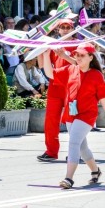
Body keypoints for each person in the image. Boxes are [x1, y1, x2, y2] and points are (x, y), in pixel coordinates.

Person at [41, 43, 105, 189]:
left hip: (87, 115)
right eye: (76, 54)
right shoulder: (70, 69)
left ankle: (68, 178)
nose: (78, 57)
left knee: (73, 143)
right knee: (82, 147)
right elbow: (51, 74)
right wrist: (44, 54)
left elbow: (104, 98)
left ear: (90, 57)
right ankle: (95, 171)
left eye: (82, 55)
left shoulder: (96, 75)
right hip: (71, 114)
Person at [36, 19, 77, 162]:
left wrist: (65, 56)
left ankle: (75, 152)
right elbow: (42, 65)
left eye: (68, 27)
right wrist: (42, 51)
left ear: (72, 29)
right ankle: (51, 151)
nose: (65, 29)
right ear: (58, 30)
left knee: (73, 121)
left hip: (72, 87)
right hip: (55, 86)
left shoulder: (77, 45)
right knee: (51, 120)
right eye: (62, 27)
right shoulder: (53, 44)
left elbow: (81, 64)